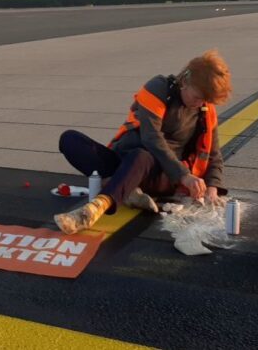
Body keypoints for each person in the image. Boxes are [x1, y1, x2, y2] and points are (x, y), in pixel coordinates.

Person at [54, 49, 232, 235]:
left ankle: (94, 209)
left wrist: (212, 186)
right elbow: (151, 137)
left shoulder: (205, 111)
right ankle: (127, 189)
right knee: (70, 139)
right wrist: (185, 175)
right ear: (186, 80)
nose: (200, 103)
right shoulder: (159, 88)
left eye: (205, 100)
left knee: (141, 156)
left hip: (161, 174)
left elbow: (213, 154)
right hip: (125, 160)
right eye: (197, 97)